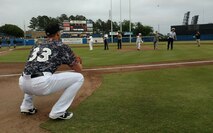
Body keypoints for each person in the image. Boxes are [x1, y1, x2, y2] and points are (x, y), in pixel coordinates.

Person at [18, 22, 84, 120]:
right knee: (79, 78)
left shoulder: (37, 45)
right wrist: (78, 61)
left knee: (31, 70)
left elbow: (31, 64)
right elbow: (78, 69)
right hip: (41, 84)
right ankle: (58, 112)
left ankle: (26, 106)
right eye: (59, 32)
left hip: (23, 83)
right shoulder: (61, 46)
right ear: (57, 34)